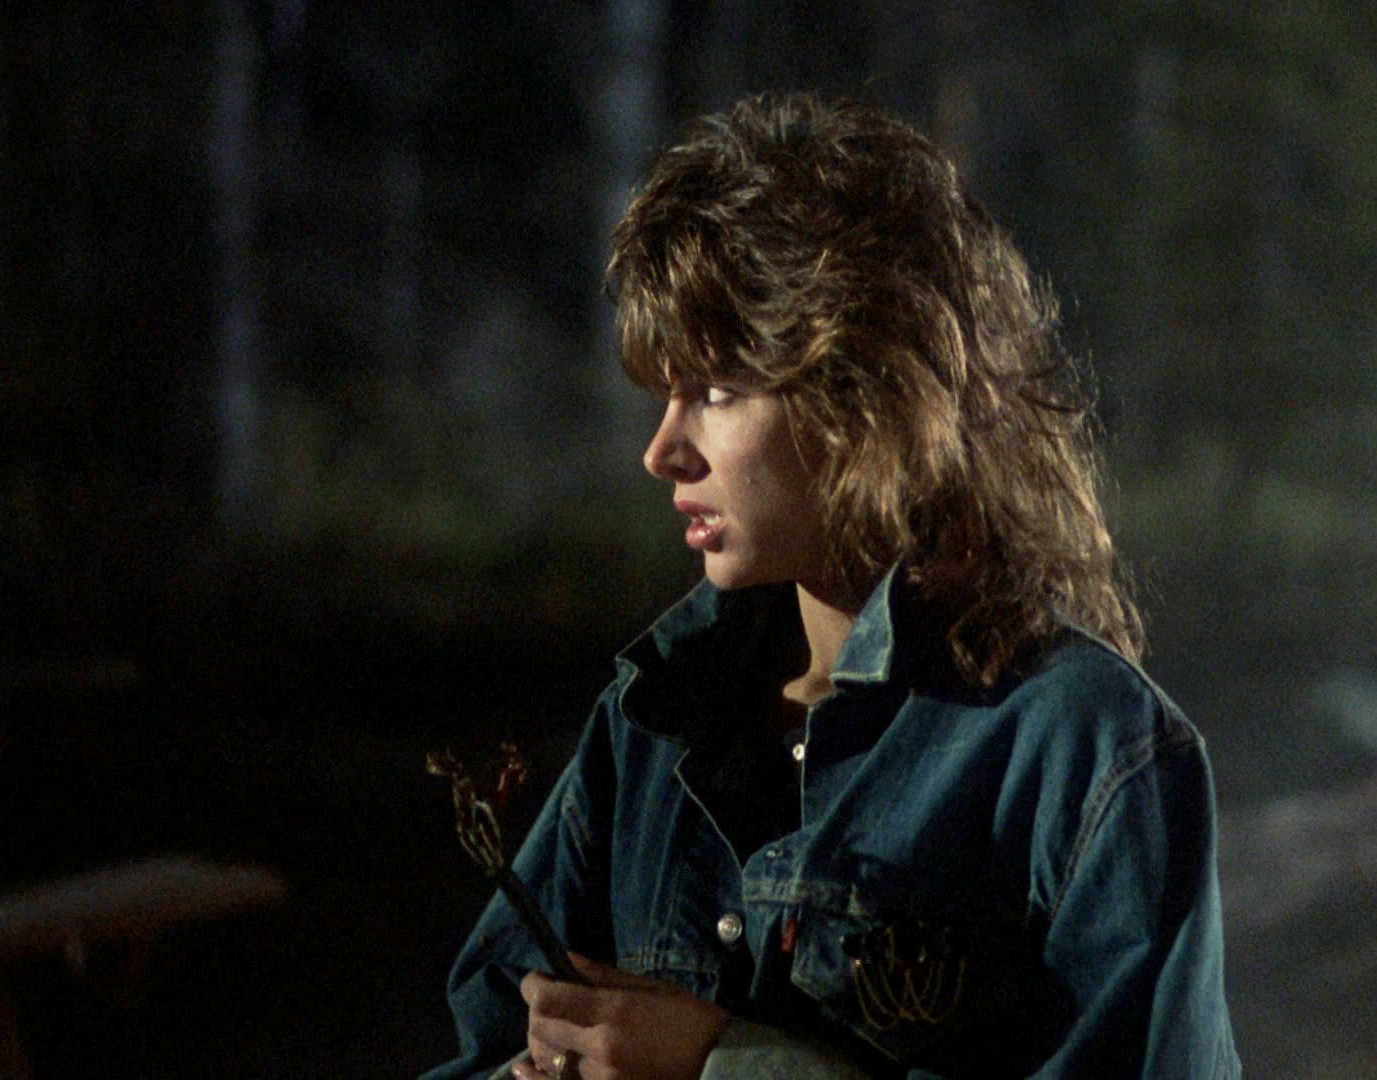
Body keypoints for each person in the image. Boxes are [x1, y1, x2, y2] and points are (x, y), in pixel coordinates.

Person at [423, 91, 1240, 1080]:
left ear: (863, 394)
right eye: (667, 394)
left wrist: (723, 1067)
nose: (663, 450)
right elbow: (486, 1042)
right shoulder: (653, 726)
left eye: (716, 392)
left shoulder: (1086, 748)